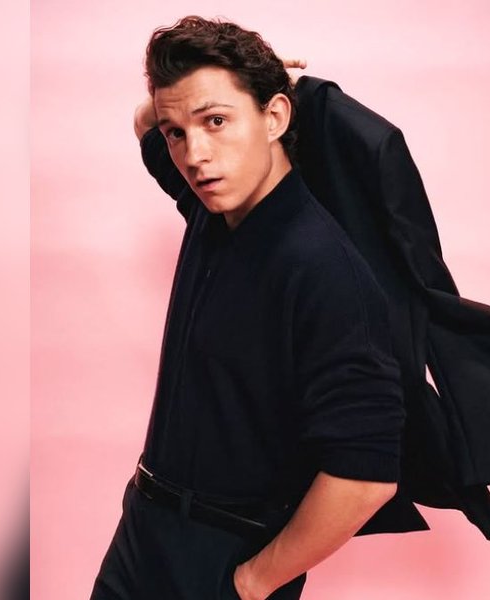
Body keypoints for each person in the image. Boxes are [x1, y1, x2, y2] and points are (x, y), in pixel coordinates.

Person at [89, 15, 406, 600]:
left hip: (227, 555)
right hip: (144, 529)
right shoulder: (212, 204)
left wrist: (252, 584)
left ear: (275, 117)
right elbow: (145, 121)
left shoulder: (326, 272)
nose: (194, 155)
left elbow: (365, 477)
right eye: (177, 133)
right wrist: (211, 91)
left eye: (216, 121)